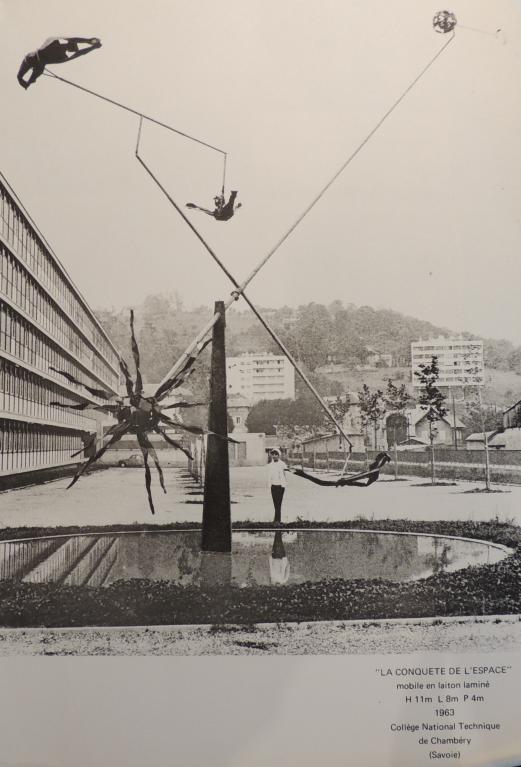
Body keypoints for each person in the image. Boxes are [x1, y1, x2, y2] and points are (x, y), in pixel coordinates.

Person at [17, 36, 102, 89]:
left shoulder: (63, 57)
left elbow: (79, 53)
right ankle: (25, 81)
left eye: (70, 49)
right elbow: (73, 39)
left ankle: (26, 82)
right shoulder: (53, 41)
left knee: (36, 72)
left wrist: (92, 47)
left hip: (40, 64)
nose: (68, 50)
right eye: (69, 47)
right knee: (21, 75)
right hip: (32, 58)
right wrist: (88, 41)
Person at [267, 448, 290, 523]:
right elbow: (269, 476)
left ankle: (277, 521)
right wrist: (269, 485)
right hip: (273, 486)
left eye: (276, 454)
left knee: (279, 503)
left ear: (278, 455)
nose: (274, 456)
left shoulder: (282, 464)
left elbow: (286, 474)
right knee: (275, 503)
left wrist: (284, 484)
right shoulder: (270, 465)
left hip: (280, 486)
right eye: (273, 454)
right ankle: (276, 520)